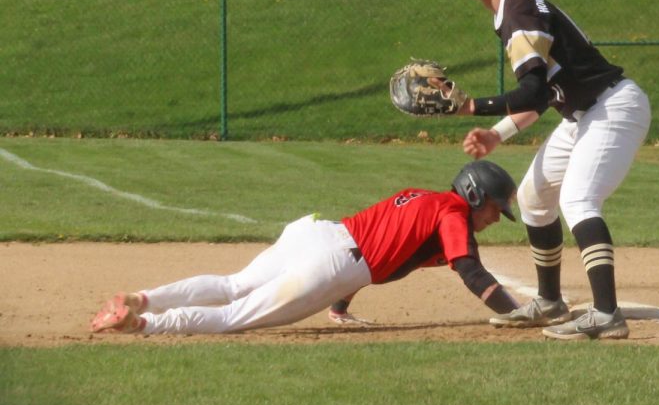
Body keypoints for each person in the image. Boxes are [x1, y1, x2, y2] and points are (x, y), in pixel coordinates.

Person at [438, 0, 652, 341]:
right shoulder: (511, 10)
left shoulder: (518, 11)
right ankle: (550, 301)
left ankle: (607, 314)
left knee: (577, 198)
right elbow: (543, 96)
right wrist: (498, 133)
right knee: (535, 198)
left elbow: (533, 91)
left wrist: (472, 107)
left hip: (612, 107)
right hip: (582, 113)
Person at [90, 160, 521, 335]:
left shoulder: (419, 197)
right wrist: (516, 313)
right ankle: (140, 324)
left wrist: (338, 307)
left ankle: (143, 298)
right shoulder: (452, 214)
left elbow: (381, 246)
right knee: (231, 318)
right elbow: (470, 270)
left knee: (231, 285)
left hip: (315, 233)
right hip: (333, 263)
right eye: (495, 211)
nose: (492, 220)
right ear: (476, 196)